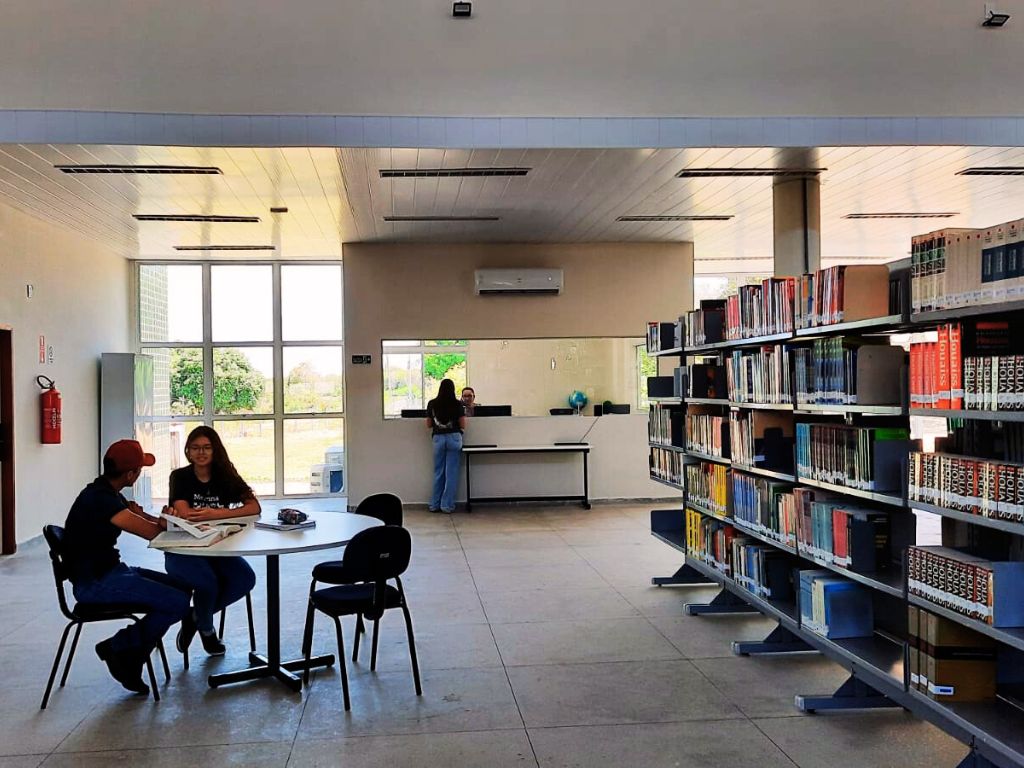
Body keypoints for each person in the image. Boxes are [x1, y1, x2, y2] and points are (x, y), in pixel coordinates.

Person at [62, 440, 191, 694]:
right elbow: (151, 533)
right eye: (140, 469)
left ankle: (131, 654)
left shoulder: (105, 492)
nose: (140, 473)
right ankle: (119, 648)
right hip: (96, 583)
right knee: (177, 602)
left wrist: (157, 519)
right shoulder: (102, 500)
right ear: (131, 474)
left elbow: (142, 519)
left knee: (183, 589)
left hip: (109, 572)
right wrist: (165, 523)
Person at [164, 426, 260, 657]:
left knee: (245, 579)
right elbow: (185, 513)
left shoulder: (226, 475)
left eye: (207, 447)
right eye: (195, 448)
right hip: (184, 549)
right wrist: (220, 514)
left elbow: (254, 507)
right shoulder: (180, 476)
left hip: (218, 547)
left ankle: (195, 616)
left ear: (215, 450)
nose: (201, 453)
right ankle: (207, 631)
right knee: (207, 582)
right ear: (188, 451)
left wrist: (218, 514)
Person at [425, 378, 466, 513]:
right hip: (454, 437)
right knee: (451, 473)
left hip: (438, 438)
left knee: (438, 472)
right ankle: (446, 505)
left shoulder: (432, 403)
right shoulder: (458, 404)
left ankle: (434, 504)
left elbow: (428, 424)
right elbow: (463, 424)